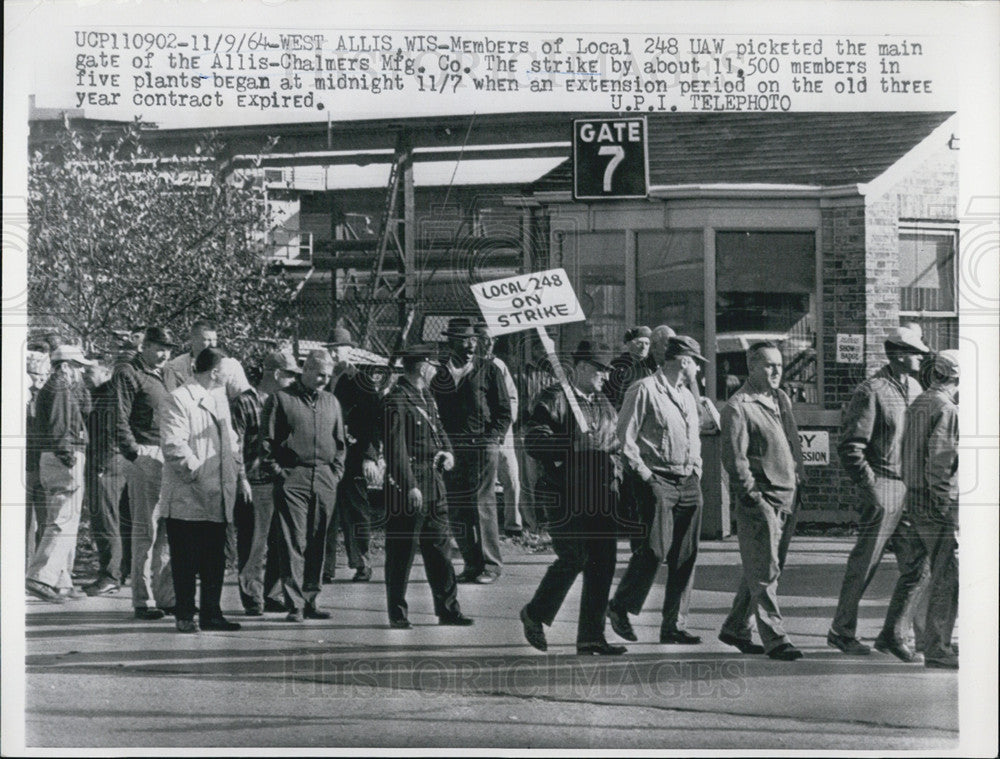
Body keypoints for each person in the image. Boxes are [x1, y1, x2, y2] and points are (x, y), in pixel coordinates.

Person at [828, 326, 930, 660]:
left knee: (919, 565)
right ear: (897, 354)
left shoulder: (914, 387)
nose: (920, 357)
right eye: (915, 352)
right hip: (882, 486)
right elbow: (850, 446)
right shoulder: (871, 390)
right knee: (865, 564)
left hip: (908, 487)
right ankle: (841, 632)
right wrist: (870, 487)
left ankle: (893, 635)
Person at [519, 340, 625, 655]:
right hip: (562, 493)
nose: (605, 376)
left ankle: (592, 636)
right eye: (599, 369)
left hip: (600, 492)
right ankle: (535, 612)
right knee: (574, 556)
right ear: (579, 368)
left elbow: (613, 441)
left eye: (607, 371)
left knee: (603, 563)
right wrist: (572, 442)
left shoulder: (603, 402)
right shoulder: (554, 399)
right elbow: (534, 441)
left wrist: (615, 465)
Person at [606, 335, 705, 645]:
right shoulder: (644, 389)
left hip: (687, 479)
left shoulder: (688, 395)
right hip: (657, 478)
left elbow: (694, 435)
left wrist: (697, 469)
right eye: (697, 364)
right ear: (684, 361)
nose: (699, 371)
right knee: (654, 548)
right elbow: (624, 438)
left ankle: (674, 624)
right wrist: (646, 476)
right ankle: (620, 605)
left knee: (685, 555)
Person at [717, 341, 805, 661]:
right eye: (768, 365)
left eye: (779, 366)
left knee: (764, 566)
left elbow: (792, 441)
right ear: (751, 367)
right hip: (762, 499)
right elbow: (735, 459)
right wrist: (752, 496)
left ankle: (736, 627)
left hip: (788, 494)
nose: (775, 372)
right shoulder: (738, 407)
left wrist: (799, 475)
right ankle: (776, 637)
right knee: (765, 571)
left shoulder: (780, 399)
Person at [382, 344, 472, 629]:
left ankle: (448, 609)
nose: (436, 369)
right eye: (432, 365)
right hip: (409, 485)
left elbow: (439, 430)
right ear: (422, 367)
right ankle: (397, 612)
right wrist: (409, 485)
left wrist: (448, 452)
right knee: (402, 552)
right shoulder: (396, 400)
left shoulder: (426, 397)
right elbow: (395, 449)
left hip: (433, 482)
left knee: (440, 551)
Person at [160, 348, 245, 633]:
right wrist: (198, 475)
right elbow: (174, 445)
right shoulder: (179, 398)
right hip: (189, 497)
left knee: (214, 559)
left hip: (217, 495)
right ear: (215, 372)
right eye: (228, 369)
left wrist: (237, 474)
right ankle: (185, 614)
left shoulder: (219, 398)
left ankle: (212, 612)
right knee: (185, 559)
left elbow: (231, 440)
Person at [261, 349, 347, 622]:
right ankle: (295, 603)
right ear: (306, 370)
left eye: (328, 376)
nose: (323, 380)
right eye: (319, 374)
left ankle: (311, 599)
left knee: (318, 539)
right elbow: (265, 443)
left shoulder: (332, 402)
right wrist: (279, 473)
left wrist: (336, 472)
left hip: (324, 477)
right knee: (293, 541)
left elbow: (340, 442)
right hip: (293, 477)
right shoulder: (281, 400)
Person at [431, 317, 511, 584]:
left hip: (482, 445)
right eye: (463, 341)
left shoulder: (489, 370)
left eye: (473, 340)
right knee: (456, 506)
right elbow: (434, 412)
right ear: (450, 342)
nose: (469, 346)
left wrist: (493, 439)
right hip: (452, 448)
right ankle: (471, 563)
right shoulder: (439, 374)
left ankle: (491, 565)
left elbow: (503, 411)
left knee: (482, 503)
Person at [895, 350, 960, 669]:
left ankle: (924, 639)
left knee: (925, 572)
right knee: (946, 573)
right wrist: (945, 503)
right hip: (934, 500)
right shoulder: (947, 408)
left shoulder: (920, 402)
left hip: (913, 496)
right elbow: (941, 460)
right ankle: (937, 646)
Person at [113, 326, 179, 620]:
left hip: (166, 453)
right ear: (145, 346)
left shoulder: (164, 375)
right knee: (145, 530)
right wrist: (133, 452)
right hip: (144, 452)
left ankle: (166, 596)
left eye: (168, 349)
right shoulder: (129, 373)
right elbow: (118, 416)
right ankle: (143, 599)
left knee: (165, 530)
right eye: (159, 347)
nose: (164, 354)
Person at [231, 351, 299, 615]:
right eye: (290, 374)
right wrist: (241, 478)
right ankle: (252, 596)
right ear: (277, 374)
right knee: (254, 543)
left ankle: (271, 593)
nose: (293, 380)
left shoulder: (286, 403)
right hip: (255, 481)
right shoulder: (246, 403)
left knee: (279, 541)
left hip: (280, 480)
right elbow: (234, 444)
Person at [25, 345, 94, 603]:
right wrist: (67, 456)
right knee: (63, 520)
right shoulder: (60, 389)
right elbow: (60, 426)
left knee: (61, 518)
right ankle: (41, 576)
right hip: (64, 456)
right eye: (77, 366)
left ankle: (60, 581)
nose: (81, 371)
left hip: (56, 456)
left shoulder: (58, 388)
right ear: (65, 366)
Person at [323, 327, 382, 583]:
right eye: (332, 348)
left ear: (350, 349)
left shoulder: (361, 380)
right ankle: (325, 567)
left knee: (357, 510)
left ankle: (362, 562)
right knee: (326, 511)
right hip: (329, 455)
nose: (335, 353)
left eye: (339, 348)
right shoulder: (325, 379)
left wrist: (370, 454)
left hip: (355, 454)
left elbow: (374, 419)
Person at [83, 361, 130, 596]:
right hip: (103, 462)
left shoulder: (110, 396)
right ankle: (111, 572)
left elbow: (113, 430)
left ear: (106, 373)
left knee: (106, 519)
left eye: (90, 371)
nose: (85, 375)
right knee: (103, 519)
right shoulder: (97, 395)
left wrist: (102, 463)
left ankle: (111, 575)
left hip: (106, 463)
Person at [476, 323, 523, 536]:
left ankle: (513, 524)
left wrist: (506, 422)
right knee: (482, 483)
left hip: (503, 432)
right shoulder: (468, 366)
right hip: (479, 433)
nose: (489, 344)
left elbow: (511, 397)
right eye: (484, 339)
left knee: (511, 477)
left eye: (492, 339)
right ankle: (485, 528)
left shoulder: (498, 365)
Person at [604, 326, 653, 409]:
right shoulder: (616, 366)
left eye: (647, 343)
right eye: (639, 343)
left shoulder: (653, 367)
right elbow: (609, 395)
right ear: (629, 344)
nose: (643, 347)